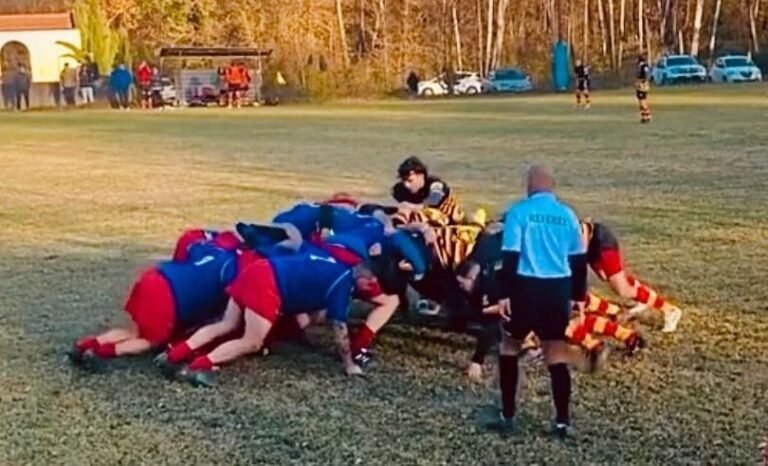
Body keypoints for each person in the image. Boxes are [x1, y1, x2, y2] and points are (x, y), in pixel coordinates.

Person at [158, 250, 371, 386]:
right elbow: (339, 327)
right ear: (362, 276)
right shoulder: (343, 284)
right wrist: (349, 364)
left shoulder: (336, 264)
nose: (370, 289)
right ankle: (197, 367)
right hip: (268, 285)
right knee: (252, 342)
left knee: (226, 324)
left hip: (258, 269)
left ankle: (174, 355)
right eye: (370, 283)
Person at [490, 164, 587, 439]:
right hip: (557, 289)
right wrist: (578, 297)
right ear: (552, 186)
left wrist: (503, 294)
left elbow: (509, 255)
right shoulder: (567, 215)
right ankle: (562, 422)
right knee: (555, 352)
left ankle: (507, 416)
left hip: (525, 287)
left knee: (509, 346)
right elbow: (578, 261)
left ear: (529, 185)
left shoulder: (519, 212)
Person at [67, 233, 247, 371]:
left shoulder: (210, 247)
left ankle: (86, 345)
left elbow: (189, 249)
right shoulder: (235, 266)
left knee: (136, 330)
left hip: (154, 276)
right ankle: (99, 353)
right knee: (150, 340)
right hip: (169, 294)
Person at [580, 219, 682, 332]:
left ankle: (670, 310)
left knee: (623, 289)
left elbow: (584, 228)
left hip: (600, 242)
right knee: (605, 277)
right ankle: (642, 295)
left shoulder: (564, 225)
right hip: (590, 246)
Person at [391, 156, 464, 224]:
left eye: (410, 181)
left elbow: (434, 201)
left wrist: (412, 207)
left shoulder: (435, 185)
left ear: (421, 176)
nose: (406, 185)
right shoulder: (399, 189)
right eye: (403, 180)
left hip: (447, 218)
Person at [636, 55, 652, 123]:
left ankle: (647, 116)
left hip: (642, 85)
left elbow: (646, 75)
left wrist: (643, 81)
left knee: (643, 101)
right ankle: (644, 117)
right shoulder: (642, 66)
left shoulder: (644, 66)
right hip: (641, 85)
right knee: (641, 102)